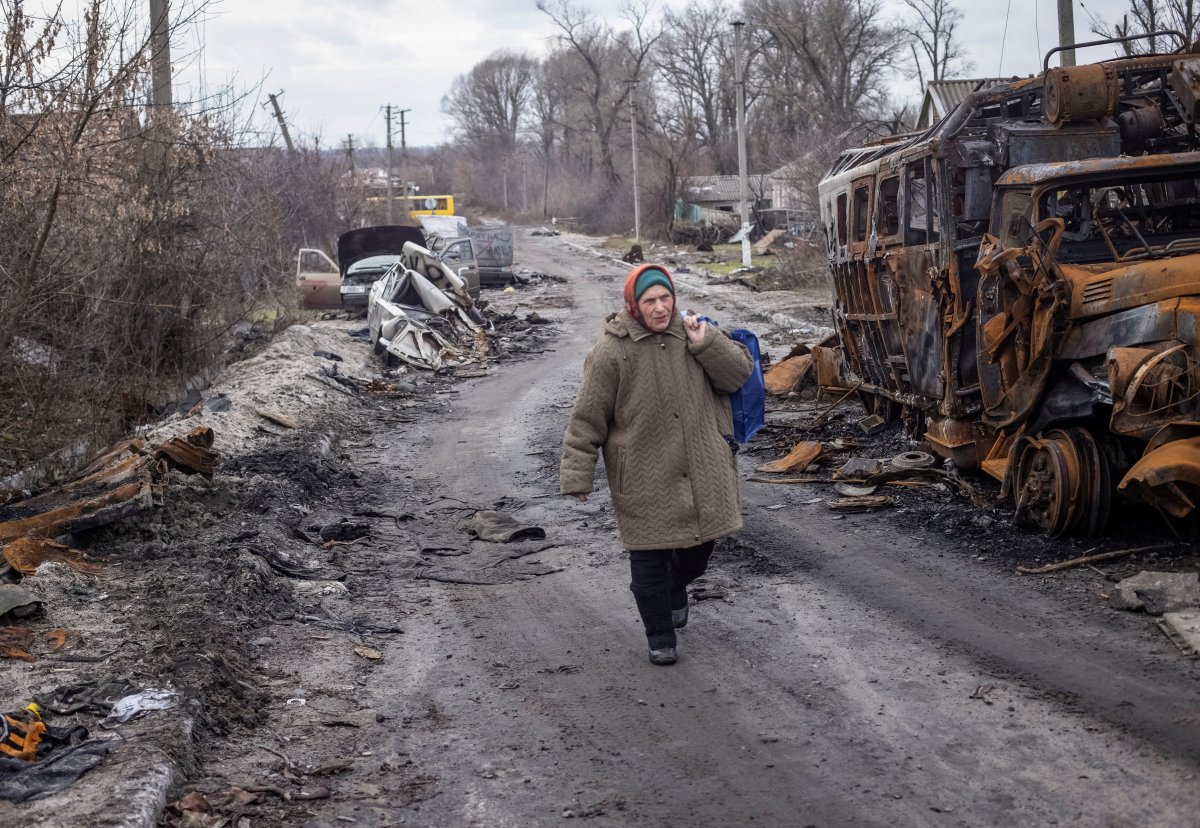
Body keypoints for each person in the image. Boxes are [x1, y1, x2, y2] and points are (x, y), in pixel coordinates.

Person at [560, 264, 753, 665]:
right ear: (634, 305)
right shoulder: (611, 352)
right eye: (650, 301)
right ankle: (659, 636)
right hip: (644, 471)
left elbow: (738, 376)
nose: (661, 307)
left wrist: (707, 343)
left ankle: (676, 585)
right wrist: (578, 474)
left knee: (701, 548)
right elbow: (587, 417)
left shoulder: (694, 333)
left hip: (702, 464)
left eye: (666, 297)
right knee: (648, 555)